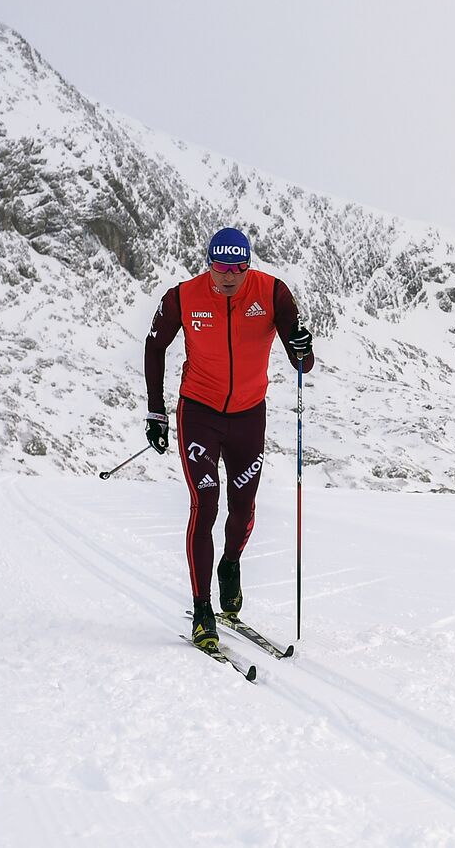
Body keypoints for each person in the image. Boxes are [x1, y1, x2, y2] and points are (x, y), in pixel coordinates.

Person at [143, 227, 314, 650]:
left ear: (248, 265)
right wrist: (155, 410)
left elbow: (303, 363)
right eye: (221, 266)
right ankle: (203, 611)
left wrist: (302, 347)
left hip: (248, 417)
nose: (229, 276)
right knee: (206, 505)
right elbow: (154, 345)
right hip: (199, 412)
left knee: (242, 509)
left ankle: (230, 564)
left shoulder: (272, 294)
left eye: (238, 267)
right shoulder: (183, 297)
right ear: (209, 263)